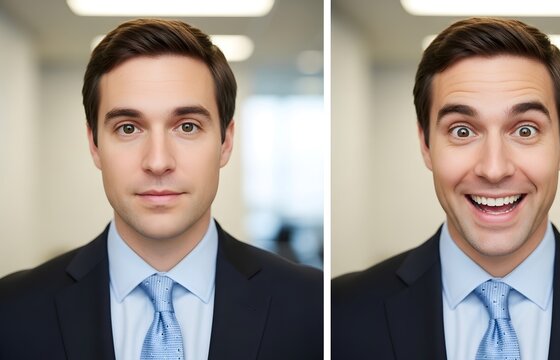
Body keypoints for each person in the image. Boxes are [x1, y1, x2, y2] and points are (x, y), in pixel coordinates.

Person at [332, 17, 560, 359]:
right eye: (462, 131)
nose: (494, 169)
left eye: (524, 131)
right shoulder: (339, 314)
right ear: (425, 144)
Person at [0, 19, 322, 359]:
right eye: (128, 128)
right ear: (94, 144)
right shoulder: (11, 310)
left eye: (187, 126)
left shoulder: (314, 307)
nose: (157, 161)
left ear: (226, 142)